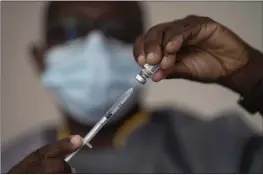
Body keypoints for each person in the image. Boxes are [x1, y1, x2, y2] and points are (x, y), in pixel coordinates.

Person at [2, 1, 263, 174]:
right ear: (39, 57)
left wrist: (252, 74)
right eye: (71, 32)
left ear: (146, 46)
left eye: (117, 31)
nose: (96, 50)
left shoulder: (221, 147)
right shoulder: (8, 161)